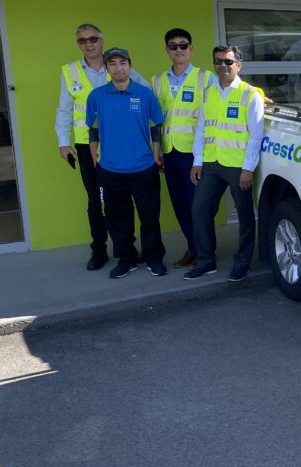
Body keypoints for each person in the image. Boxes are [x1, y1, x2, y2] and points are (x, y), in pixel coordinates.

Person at [55, 23, 146, 270]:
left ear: (102, 40)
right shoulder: (70, 72)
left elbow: (145, 93)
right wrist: (63, 143)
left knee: (121, 199)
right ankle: (99, 250)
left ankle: (126, 248)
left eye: (93, 38)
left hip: (119, 144)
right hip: (87, 146)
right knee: (96, 201)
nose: (88, 43)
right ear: (78, 44)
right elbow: (64, 110)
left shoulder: (117, 65)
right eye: (82, 40)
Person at [85, 48, 167, 279]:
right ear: (106, 68)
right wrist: (96, 161)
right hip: (110, 170)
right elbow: (93, 131)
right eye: (112, 63)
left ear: (130, 65)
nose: (118, 68)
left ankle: (153, 257)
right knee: (117, 218)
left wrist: (155, 156)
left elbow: (156, 128)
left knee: (150, 217)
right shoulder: (96, 96)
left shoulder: (145, 94)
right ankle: (127, 259)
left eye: (122, 63)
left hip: (144, 168)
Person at [184, 45, 264, 282]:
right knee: (199, 210)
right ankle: (206, 261)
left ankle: (242, 262)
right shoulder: (208, 92)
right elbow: (201, 128)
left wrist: (248, 168)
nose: (223, 66)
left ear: (238, 65)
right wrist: (197, 161)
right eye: (218, 61)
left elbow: (256, 135)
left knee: (245, 217)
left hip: (238, 167)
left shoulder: (250, 94)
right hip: (211, 164)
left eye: (228, 61)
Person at [151, 28, 214, 269]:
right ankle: (193, 248)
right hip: (170, 153)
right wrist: (157, 151)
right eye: (173, 46)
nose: (179, 49)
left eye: (183, 45)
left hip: (196, 155)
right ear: (167, 50)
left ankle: (206, 253)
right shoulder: (158, 80)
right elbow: (156, 120)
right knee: (180, 204)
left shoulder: (205, 78)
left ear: (191, 48)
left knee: (199, 206)